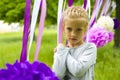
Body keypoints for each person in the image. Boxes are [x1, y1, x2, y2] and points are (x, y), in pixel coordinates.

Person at [52, 6, 97, 80]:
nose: (73, 34)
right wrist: (62, 51)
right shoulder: (61, 50)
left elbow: (78, 71)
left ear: (85, 29)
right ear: (64, 29)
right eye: (69, 29)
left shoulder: (90, 48)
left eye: (78, 30)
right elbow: (57, 75)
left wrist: (63, 51)